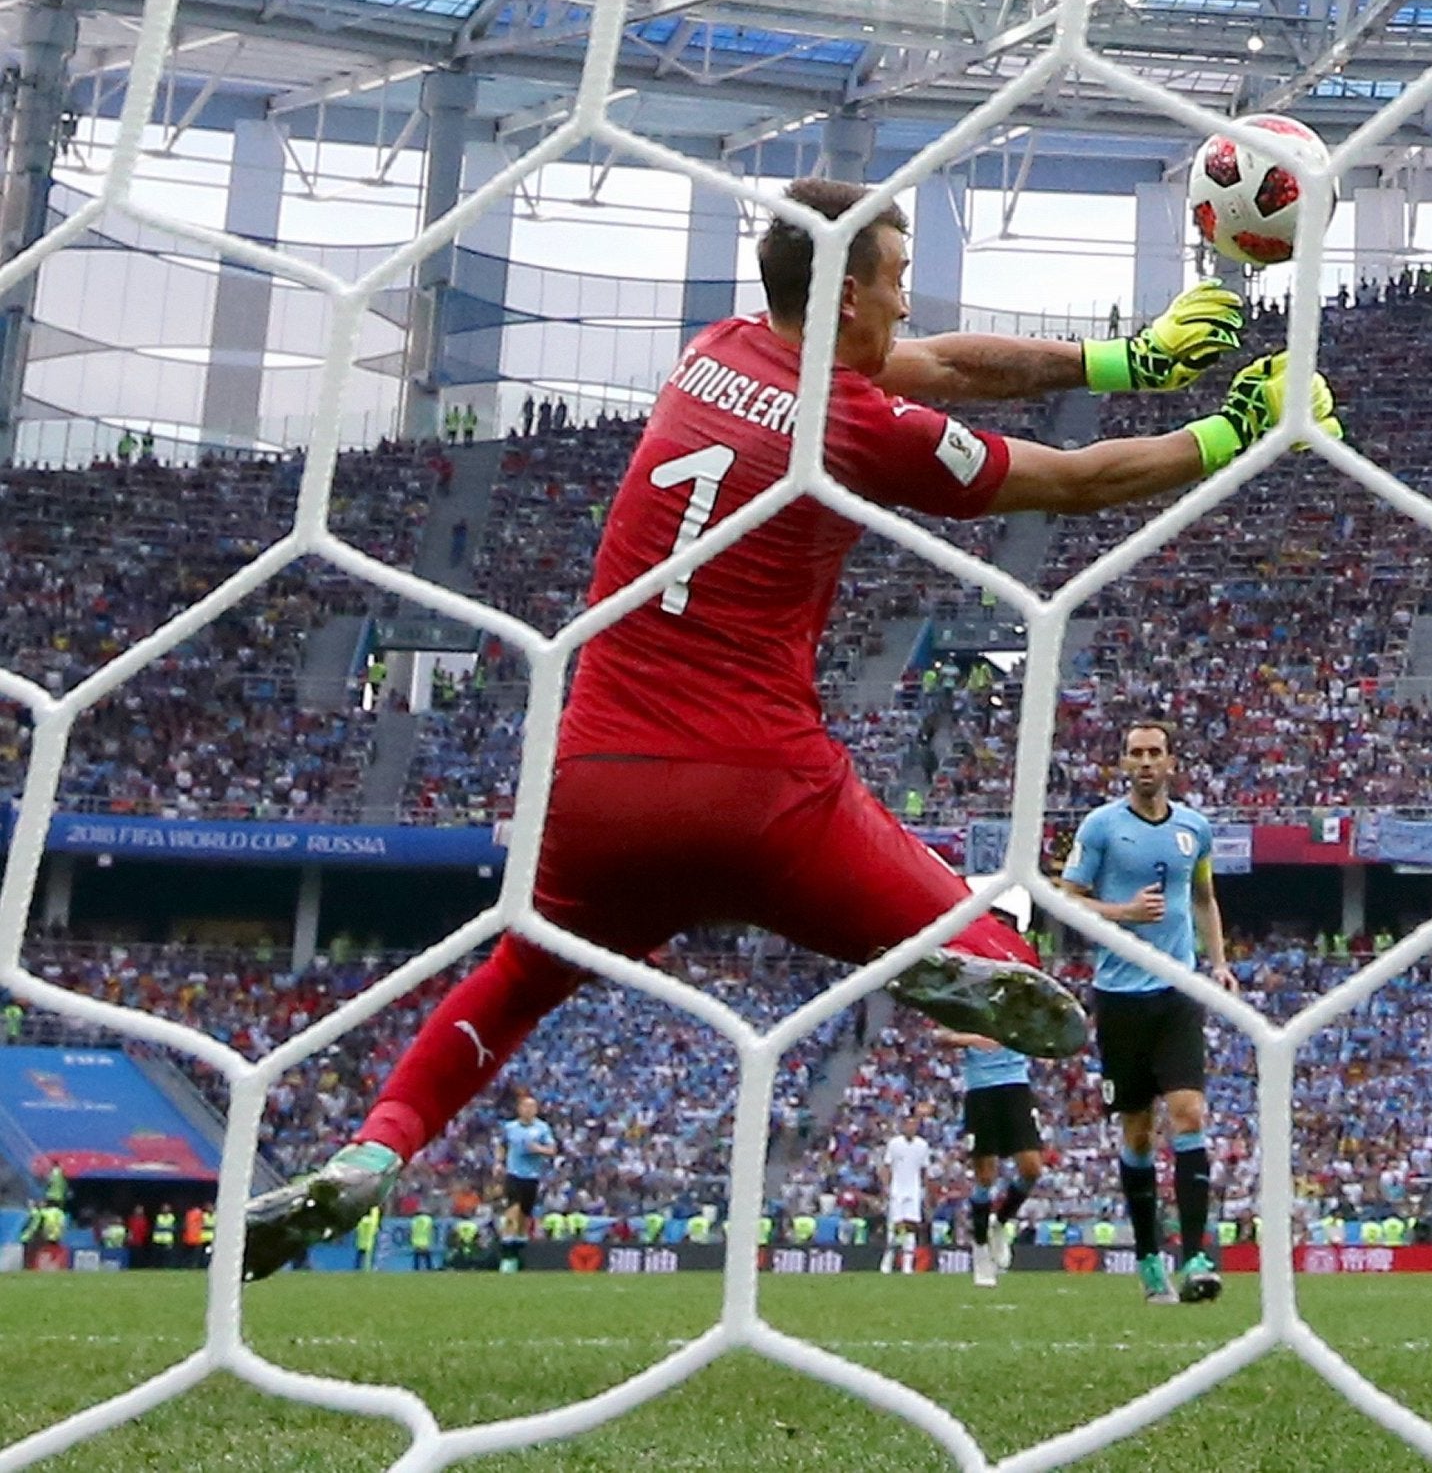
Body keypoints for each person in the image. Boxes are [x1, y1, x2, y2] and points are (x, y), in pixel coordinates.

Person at [240, 177, 1341, 1282]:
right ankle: (949, 965)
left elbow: (947, 366)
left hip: (598, 783)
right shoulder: (851, 423)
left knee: (519, 975)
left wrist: (1122, 365)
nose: (908, 307)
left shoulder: (713, 347)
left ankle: (375, 1149)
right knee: (993, 953)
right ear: (851, 291)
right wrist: (1239, 428)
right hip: (759, 790)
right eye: (898, 283)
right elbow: (1072, 483)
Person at [1059, 721, 1236, 1307]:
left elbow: (1204, 898)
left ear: (1171, 762)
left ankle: (1198, 1257)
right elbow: (1068, 898)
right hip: (1119, 998)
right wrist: (1124, 912)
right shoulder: (1102, 827)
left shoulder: (1194, 828)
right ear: (1123, 763)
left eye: (1154, 753)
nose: (1144, 762)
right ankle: (1148, 1257)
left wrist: (1219, 963)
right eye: (1135, 753)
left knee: (1189, 1113)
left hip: (1177, 992)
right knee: (1137, 1131)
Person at [938, 1029, 1044, 1289]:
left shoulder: (1017, 1002)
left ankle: (1001, 1222)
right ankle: (981, 1248)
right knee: (985, 1175)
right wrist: (970, 1039)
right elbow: (939, 1036)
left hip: (1016, 1087)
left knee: (1032, 1169)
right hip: (981, 1091)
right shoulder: (970, 1006)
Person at [498, 1094, 556, 1273]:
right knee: (512, 1211)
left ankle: (517, 1255)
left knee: (524, 1218)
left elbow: (552, 1150)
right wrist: (498, 1162)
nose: (529, 1110)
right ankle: (506, 1257)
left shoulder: (542, 1128)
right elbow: (502, 1145)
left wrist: (538, 1149)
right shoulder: (510, 1127)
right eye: (526, 1107)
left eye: (533, 1107)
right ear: (519, 1109)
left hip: (531, 1177)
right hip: (513, 1174)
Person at [880, 1115, 933, 1275]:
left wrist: (926, 1191)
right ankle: (887, 1263)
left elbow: (925, 1170)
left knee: (911, 1227)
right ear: (903, 1126)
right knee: (894, 1227)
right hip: (897, 1189)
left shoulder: (922, 1145)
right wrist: (886, 1186)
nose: (911, 1128)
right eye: (909, 1125)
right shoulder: (894, 1144)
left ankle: (907, 1265)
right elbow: (887, 1166)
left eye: (914, 1125)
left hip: (913, 1190)